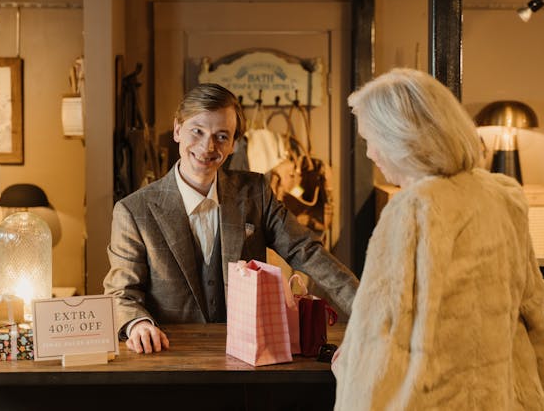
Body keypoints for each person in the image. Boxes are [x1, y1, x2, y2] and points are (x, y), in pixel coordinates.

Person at [332, 68, 544, 409]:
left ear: (400, 138)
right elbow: (533, 313)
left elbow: (382, 334)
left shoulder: (413, 209)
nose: (369, 154)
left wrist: (347, 369)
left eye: (371, 140)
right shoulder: (503, 195)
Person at [103, 83, 359, 354]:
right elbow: (122, 293)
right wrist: (138, 324)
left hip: (249, 358)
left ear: (235, 142)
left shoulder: (255, 192)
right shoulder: (133, 211)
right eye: (197, 131)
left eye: (222, 136)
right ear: (178, 129)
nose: (207, 146)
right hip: (172, 358)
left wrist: (367, 307)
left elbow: (305, 250)